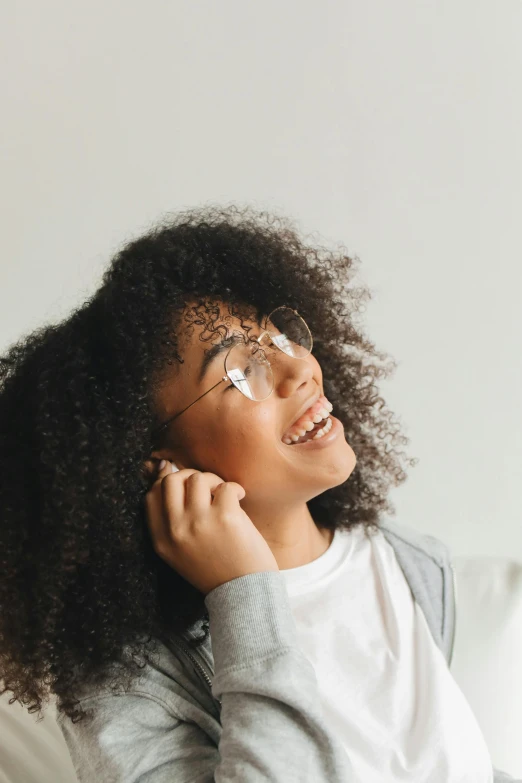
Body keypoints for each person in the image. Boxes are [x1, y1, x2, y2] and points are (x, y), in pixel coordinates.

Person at [0, 205, 517, 782]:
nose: (299, 373)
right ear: (157, 462)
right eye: (241, 372)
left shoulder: (409, 562)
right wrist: (242, 594)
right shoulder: (123, 675)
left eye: (277, 336)